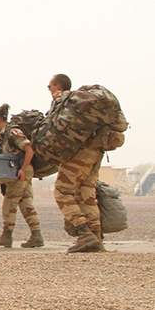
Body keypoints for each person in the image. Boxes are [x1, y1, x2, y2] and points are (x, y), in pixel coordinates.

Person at [46, 76, 106, 253]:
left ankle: (84, 233)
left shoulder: (64, 99)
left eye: (49, 85)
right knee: (86, 193)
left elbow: (56, 128)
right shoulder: (84, 101)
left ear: (57, 86)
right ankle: (96, 238)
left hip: (79, 152)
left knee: (62, 191)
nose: (49, 89)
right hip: (96, 150)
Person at [0, 104, 43, 248]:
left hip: (21, 171)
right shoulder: (1, 135)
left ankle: (7, 235)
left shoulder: (13, 132)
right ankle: (37, 235)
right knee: (25, 203)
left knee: (9, 203)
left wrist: (23, 170)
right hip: (17, 172)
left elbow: (29, 150)